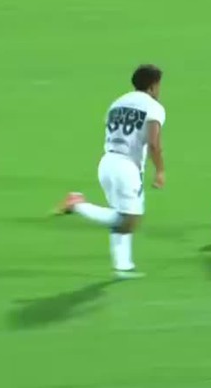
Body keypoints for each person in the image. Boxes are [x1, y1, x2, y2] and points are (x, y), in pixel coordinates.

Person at [57, 64, 166, 278]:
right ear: (153, 86)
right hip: (127, 167)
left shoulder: (117, 103)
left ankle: (123, 266)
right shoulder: (154, 107)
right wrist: (160, 170)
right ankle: (77, 205)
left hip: (107, 162)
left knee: (121, 214)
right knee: (128, 219)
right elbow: (154, 143)